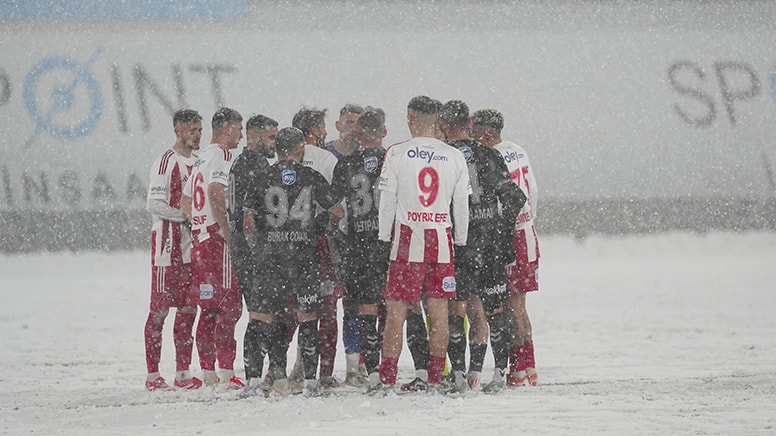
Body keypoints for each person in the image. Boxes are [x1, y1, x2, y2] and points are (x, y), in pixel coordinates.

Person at [375, 95, 471, 394]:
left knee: (397, 312)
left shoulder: (397, 153)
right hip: (441, 240)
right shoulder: (454, 155)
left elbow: (386, 202)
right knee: (439, 311)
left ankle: (387, 379)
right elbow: (462, 206)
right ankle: (433, 379)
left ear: (409, 118)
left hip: (407, 239)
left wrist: (382, 237)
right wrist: (461, 240)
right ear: (438, 121)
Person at [240, 126, 345, 397]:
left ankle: (256, 382)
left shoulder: (261, 176)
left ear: (276, 150)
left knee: (261, 317)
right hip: (303, 257)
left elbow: (248, 222)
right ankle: (310, 383)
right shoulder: (311, 175)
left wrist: (261, 244)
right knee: (308, 318)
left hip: (269, 257)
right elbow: (338, 210)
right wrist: (318, 228)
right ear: (300, 150)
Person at [438, 101, 526, 393]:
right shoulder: (488, 154)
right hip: (489, 246)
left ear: (445, 126)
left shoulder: (445, 157)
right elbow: (515, 197)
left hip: (458, 247)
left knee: (457, 310)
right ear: (470, 125)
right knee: (495, 310)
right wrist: (501, 232)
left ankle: (461, 377)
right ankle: (499, 375)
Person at [471, 108, 540, 387]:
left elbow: (504, 198)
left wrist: (501, 230)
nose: (473, 137)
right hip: (528, 233)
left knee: (509, 307)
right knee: (520, 306)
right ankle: (528, 366)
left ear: (486, 133)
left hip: (509, 236)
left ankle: (517, 369)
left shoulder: (492, 158)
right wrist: (528, 220)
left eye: (476, 131)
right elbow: (532, 191)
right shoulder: (518, 150)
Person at [181, 107, 245, 389]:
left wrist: (199, 224)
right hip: (216, 242)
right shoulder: (221, 154)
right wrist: (224, 228)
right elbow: (217, 191)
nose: (241, 135)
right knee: (229, 306)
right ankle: (226, 373)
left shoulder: (200, 158)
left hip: (200, 240)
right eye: (239, 129)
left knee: (208, 308)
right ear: (228, 128)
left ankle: (208, 372)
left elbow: (185, 201)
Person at [331, 108, 390, 391]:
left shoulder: (345, 164)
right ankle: (399, 370)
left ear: (357, 133)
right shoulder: (393, 159)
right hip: (389, 245)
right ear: (384, 132)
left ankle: (373, 373)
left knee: (363, 308)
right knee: (399, 309)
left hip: (358, 246)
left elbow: (336, 210)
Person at [144, 109, 203, 391]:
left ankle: (182, 373)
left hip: (193, 249)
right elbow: (153, 204)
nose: (198, 135)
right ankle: (153, 375)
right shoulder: (166, 161)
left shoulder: (199, 162)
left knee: (188, 309)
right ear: (178, 131)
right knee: (160, 311)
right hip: (167, 249)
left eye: (200, 130)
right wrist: (184, 216)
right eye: (193, 130)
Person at [291, 107, 347, 388]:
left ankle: (285, 370)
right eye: (323, 126)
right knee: (326, 310)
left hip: (288, 244)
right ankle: (323, 373)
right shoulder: (326, 159)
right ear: (314, 129)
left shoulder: (284, 158)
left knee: (293, 309)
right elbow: (339, 207)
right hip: (320, 243)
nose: (326, 131)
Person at [227, 114, 279, 387]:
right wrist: (260, 250)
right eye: (271, 137)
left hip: (241, 245)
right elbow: (250, 217)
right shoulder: (256, 165)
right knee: (262, 313)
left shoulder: (239, 163)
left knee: (260, 312)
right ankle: (256, 377)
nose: (275, 143)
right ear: (255, 136)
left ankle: (259, 376)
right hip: (253, 248)